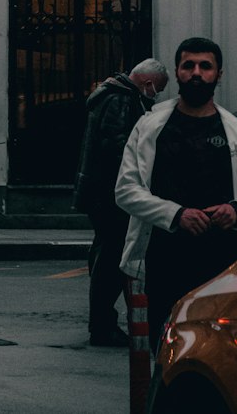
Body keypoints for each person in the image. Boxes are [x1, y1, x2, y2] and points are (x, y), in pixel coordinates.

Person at [115, 36, 237, 353]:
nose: (196, 73)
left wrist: (236, 209)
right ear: (177, 72)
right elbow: (125, 191)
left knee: (217, 351)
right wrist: (176, 215)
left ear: (219, 74)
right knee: (164, 349)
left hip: (222, 266)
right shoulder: (149, 127)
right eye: (189, 66)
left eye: (205, 66)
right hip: (163, 261)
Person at [72, 57, 169, 346]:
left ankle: (107, 322)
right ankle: (103, 326)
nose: (157, 95)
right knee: (113, 259)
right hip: (111, 194)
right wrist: (140, 180)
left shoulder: (114, 96)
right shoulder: (121, 101)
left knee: (107, 255)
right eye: (157, 89)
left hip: (101, 193)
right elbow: (118, 147)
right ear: (148, 83)